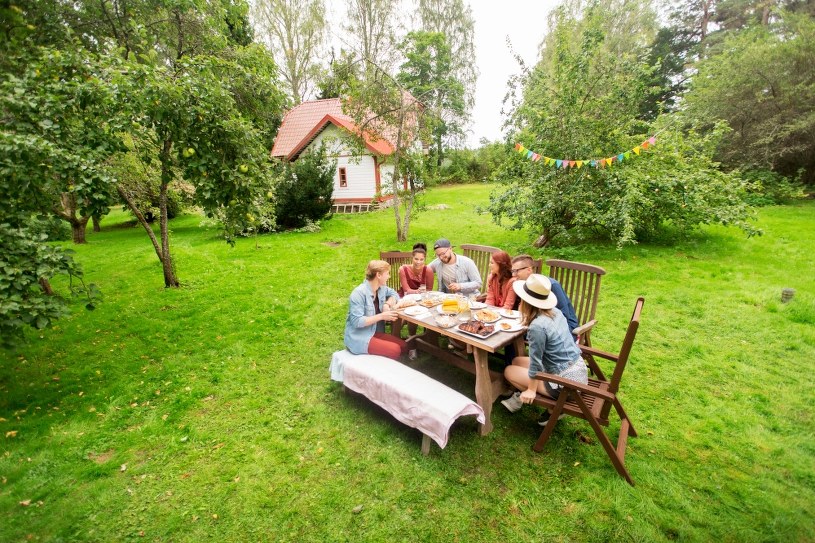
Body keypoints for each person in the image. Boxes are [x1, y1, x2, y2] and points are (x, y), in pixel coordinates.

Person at [501, 274, 588, 426]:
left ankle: (553, 408)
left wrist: (531, 390)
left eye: (521, 299)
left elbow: (536, 362)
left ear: (527, 302)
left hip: (566, 387)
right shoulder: (555, 311)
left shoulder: (537, 326)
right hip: (576, 370)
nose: (519, 302)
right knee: (516, 360)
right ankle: (521, 394)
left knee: (509, 370)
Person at [344, 260, 407, 360]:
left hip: (374, 333)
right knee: (395, 350)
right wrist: (382, 316)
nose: (389, 276)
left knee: (403, 346)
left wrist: (387, 304)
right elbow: (357, 322)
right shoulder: (358, 293)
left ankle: (379, 354)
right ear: (378, 275)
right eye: (387, 273)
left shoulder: (381, 288)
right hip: (360, 337)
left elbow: (394, 294)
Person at [511, 255, 579, 335]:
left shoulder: (551, 285)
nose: (513, 275)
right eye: (512, 271)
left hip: (563, 329)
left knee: (517, 335)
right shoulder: (523, 286)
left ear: (529, 270)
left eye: (516, 271)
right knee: (512, 333)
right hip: (536, 323)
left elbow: (564, 315)